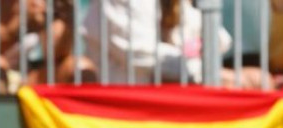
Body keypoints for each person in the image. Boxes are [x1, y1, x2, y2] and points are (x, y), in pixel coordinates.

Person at [82, 0, 273, 88]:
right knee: (240, 83)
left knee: (259, 80)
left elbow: (220, 40)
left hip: (171, 91)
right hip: (127, 103)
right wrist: (207, 73)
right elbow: (142, 55)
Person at [0, 0, 96, 93]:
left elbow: (58, 53)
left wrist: (66, 17)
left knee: (79, 67)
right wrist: (15, 29)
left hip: (25, 75)